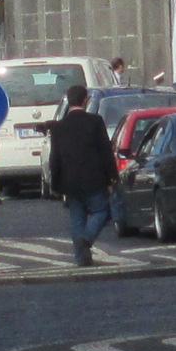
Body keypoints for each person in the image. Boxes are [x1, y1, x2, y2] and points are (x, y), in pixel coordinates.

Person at [47, 85, 118, 267]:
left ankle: (82, 259)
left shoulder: (59, 127)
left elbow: (54, 158)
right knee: (102, 211)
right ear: (85, 100)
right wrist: (112, 177)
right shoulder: (95, 122)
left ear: (69, 101)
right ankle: (86, 239)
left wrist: (54, 184)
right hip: (94, 179)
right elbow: (105, 152)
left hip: (69, 182)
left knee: (76, 219)